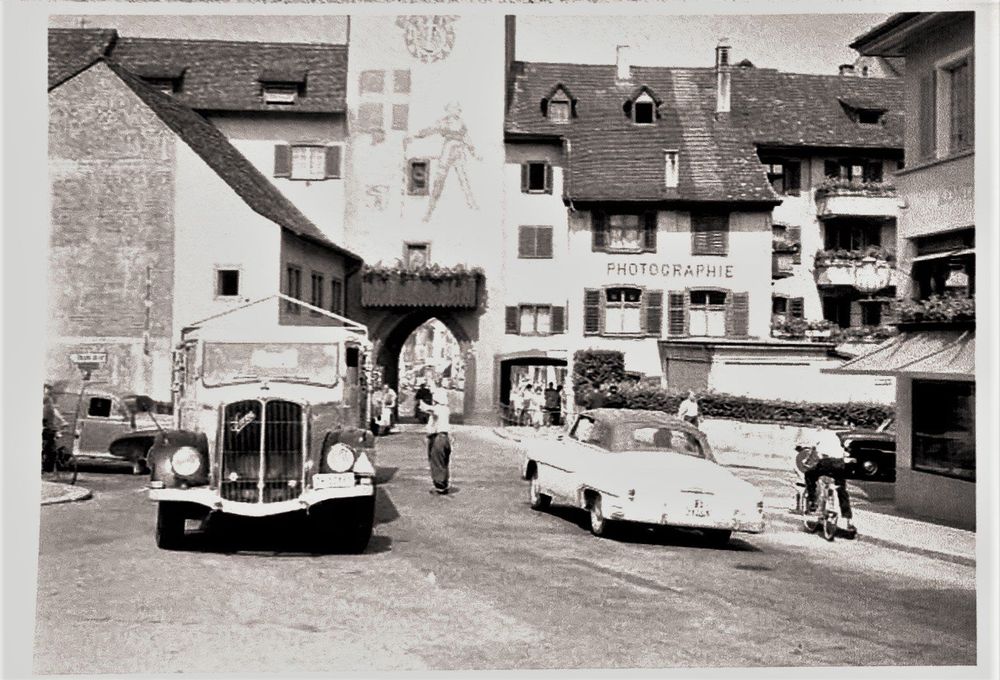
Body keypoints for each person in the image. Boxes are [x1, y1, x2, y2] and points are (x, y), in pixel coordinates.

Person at [799, 433, 857, 534]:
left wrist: (806, 461)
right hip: (840, 464)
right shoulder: (836, 438)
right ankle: (848, 520)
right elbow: (843, 453)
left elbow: (812, 451)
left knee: (809, 475)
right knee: (841, 490)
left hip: (826, 462)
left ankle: (812, 501)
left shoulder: (819, 435)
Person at [419, 386, 452, 494]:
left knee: (436, 461)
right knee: (443, 462)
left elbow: (428, 409)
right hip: (445, 437)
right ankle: (444, 484)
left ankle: (440, 486)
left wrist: (421, 402)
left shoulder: (439, 408)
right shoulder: (445, 409)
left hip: (438, 438)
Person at [42, 383, 67, 472]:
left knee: (52, 450)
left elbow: (54, 411)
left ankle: (47, 468)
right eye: (47, 389)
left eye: (49, 389)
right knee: (47, 448)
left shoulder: (49, 400)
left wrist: (62, 420)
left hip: (50, 428)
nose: (48, 391)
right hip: (45, 428)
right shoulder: (44, 399)